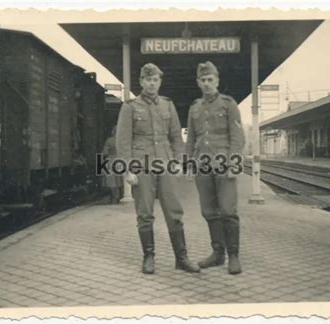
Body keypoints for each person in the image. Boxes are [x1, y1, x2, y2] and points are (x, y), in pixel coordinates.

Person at [116, 63, 200, 274]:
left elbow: (175, 138)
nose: (152, 84)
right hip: (142, 165)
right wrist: (128, 170)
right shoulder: (130, 107)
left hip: (165, 164)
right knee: (144, 213)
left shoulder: (167, 105)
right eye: (148, 80)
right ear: (141, 82)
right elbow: (123, 141)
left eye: (155, 80)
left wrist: (179, 162)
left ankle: (181, 258)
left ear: (159, 82)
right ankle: (149, 257)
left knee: (174, 212)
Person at [186, 61, 246, 275]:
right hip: (202, 165)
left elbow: (237, 137)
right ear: (198, 83)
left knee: (228, 211)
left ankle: (234, 256)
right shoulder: (194, 108)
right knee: (209, 211)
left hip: (224, 165)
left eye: (210, 79)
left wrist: (234, 164)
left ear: (217, 81)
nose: (207, 84)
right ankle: (218, 254)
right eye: (203, 80)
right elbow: (191, 139)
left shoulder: (229, 104)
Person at [101, 126, 124, 204]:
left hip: (111, 161)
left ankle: (115, 198)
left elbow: (105, 152)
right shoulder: (122, 140)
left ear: (112, 132)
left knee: (112, 181)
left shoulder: (109, 140)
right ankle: (120, 196)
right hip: (121, 161)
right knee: (120, 180)